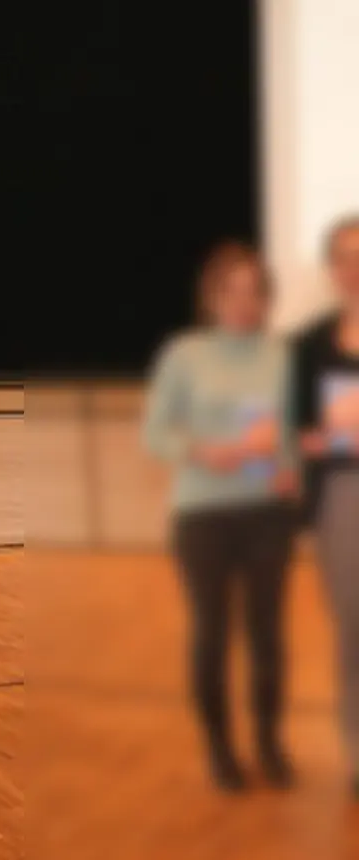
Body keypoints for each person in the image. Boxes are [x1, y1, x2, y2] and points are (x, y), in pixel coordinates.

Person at [140, 240, 299, 792]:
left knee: (267, 634)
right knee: (212, 633)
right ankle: (220, 748)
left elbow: (296, 435)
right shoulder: (185, 355)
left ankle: (270, 743)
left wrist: (288, 465)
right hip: (202, 515)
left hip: (267, 513)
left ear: (266, 298)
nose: (243, 300)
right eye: (231, 289)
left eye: (254, 290)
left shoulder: (282, 356)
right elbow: (156, 432)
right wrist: (208, 452)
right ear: (211, 296)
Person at [287, 214, 359, 796]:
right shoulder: (309, 344)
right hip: (341, 500)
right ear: (332, 269)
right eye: (344, 256)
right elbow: (287, 429)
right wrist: (313, 438)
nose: (355, 268)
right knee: (354, 629)